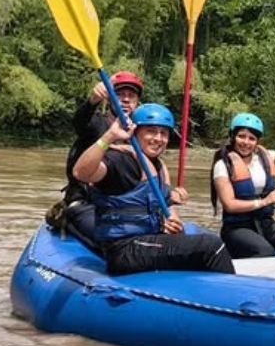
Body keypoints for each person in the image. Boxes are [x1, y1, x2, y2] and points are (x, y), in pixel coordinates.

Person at [73, 103, 234, 276]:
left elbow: (166, 207)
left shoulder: (158, 166)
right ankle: (234, 298)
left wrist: (173, 223)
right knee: (212, 247)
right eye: (151, 131)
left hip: (147, 242)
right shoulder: (122, 161)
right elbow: (80, 173)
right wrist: (109, 137)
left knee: (198, 239)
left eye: (163, 133)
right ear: (134, 133)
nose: (158, 138)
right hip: (125, 249)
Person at [53, 71, 146, 245]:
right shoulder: (95, 123)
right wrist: (92, 101)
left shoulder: (138, 133)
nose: (126, 100)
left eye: (131, 96)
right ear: (109, 99)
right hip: (86, 201)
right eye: (119, 95)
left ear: (137, 103)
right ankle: (67, 219)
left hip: (119, 204)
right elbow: (79, 121)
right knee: (110, 237)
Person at [210, 108, 275, 258]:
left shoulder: (266, 157)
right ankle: (266, 256)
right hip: (237, 229)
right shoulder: (223, 165)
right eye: (241, 136)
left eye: (251, 138)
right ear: (233, 136)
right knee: (264, 251)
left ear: (257, 141)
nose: (246, 142)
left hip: (265, 225)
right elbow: (230, 205)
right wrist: (264, 201)